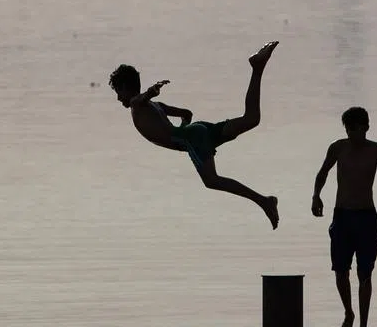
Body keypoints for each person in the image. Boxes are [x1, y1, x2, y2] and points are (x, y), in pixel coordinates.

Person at [107, 41, 281, 229]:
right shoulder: (156, 106)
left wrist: (151, 92)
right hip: (197, 131)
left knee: (211, 180)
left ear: (126, 87)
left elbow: (140, 98)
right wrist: (184, 134)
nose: (118, 98)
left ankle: (263, 201)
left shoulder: (137, 104)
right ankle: (258, 67)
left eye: (118, 92)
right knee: (251, 119)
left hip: (193, 136)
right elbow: (187, 114)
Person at [312, 107, 377, 327]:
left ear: (366, 127)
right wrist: (316, 195)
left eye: (356, 129)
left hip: (367, 216)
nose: (352, 134)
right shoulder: (338, 147)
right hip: (342, 215)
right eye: (348, 130)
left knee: (365, 273)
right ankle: (348, 313)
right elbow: (322, 173)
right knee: (340, 270)